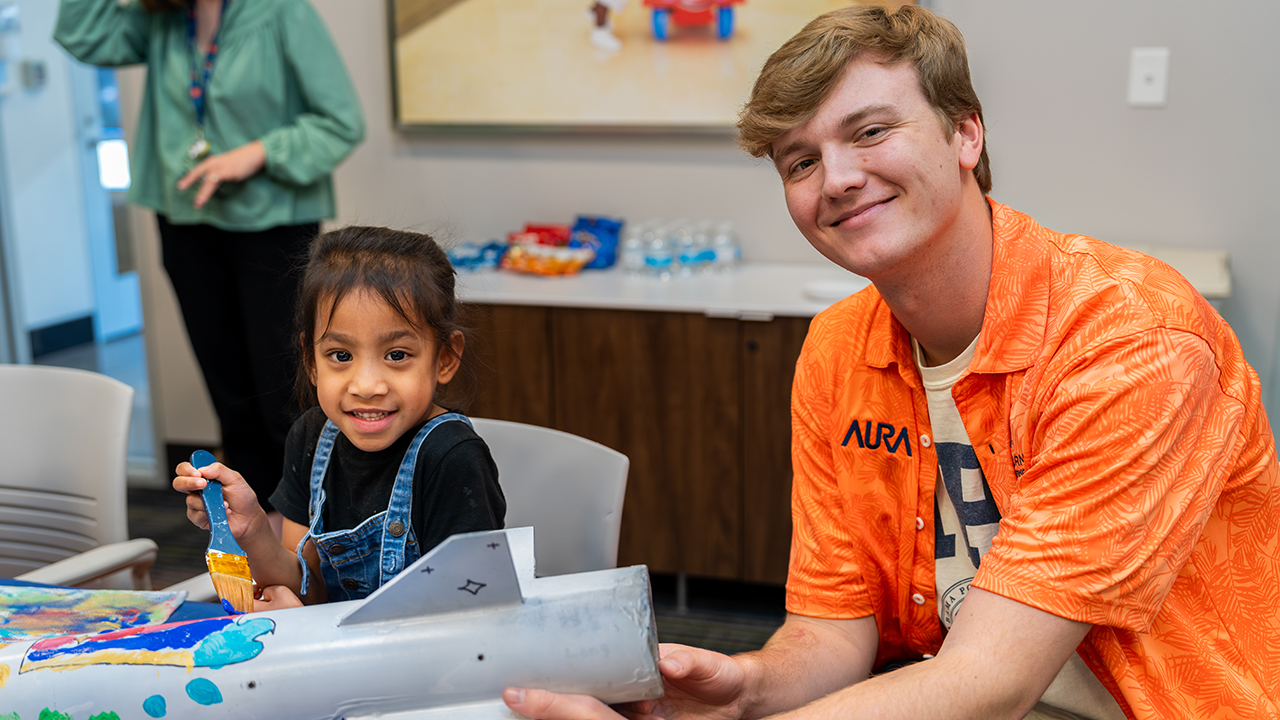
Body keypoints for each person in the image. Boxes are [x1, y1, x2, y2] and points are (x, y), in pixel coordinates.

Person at [502, 5, 1280, 720]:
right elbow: (835, 633)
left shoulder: (1132, 339)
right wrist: (750, 690)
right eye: (799, 162)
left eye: (870, 132)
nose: (835, 179)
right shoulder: (839, 348)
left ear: (966, 135)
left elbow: (990, 682)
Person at [55, 0, 366, 521]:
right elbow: (81, 34)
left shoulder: (281, 13)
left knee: (284, 400)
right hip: (186, 224)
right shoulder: (161, 18)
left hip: (271, 226)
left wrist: (256, 153)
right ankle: (247, 533)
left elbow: (341, 122)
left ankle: (311, 534)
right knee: (231, 400)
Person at [173, 226, 506, 610]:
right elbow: (310, 588)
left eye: (397, 355)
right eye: (341, 356)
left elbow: (470, 620)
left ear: (445, 358)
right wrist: (251, 529)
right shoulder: (312, 437)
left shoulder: (453, 458)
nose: (366, 385)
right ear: (310, 360)